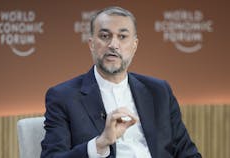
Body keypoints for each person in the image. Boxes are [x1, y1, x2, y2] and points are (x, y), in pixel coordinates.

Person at [41, 6, 201, 158]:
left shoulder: (159, 91)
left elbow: (187, 153)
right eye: (105, 36)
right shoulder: (63, 97)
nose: (113, 45)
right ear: (91, 44)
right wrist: (100, 143)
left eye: (122, 37)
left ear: (134, 45)